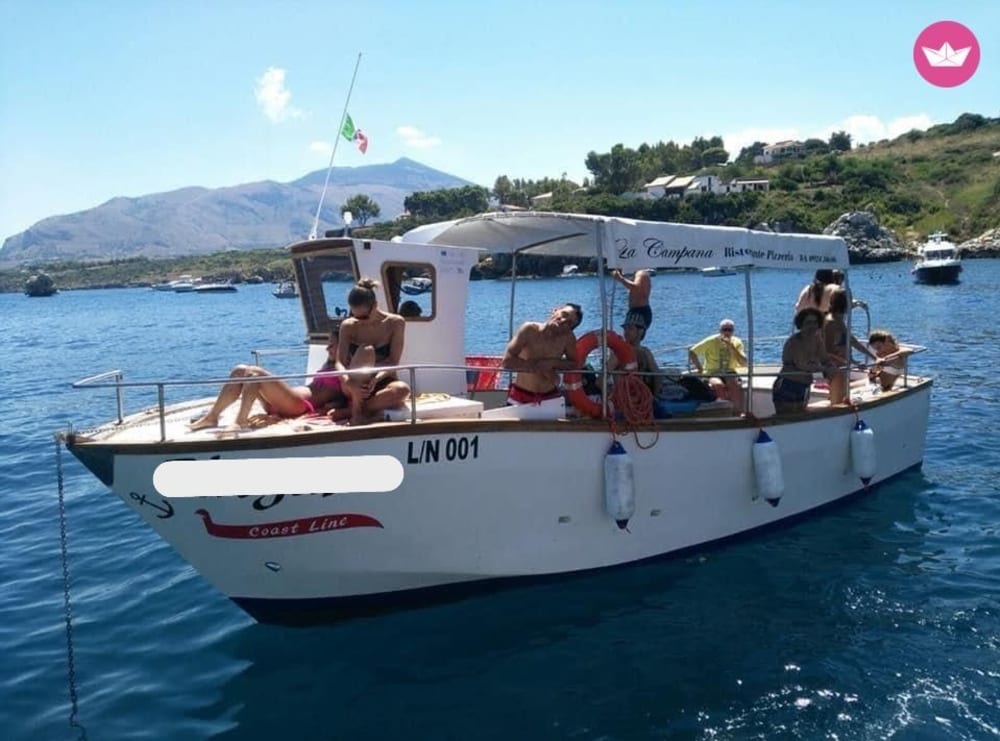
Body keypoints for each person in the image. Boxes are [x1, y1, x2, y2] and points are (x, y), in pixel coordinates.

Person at [188, 323, 348, 430]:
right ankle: (212, 416)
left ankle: (240, 420)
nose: (327, 348)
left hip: (298, 405)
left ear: (344, 346)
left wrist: (337, 407)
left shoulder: (346, 370)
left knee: (256, 374)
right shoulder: (329, 365)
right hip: (283, 402)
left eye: (332, 344)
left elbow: (345, 396)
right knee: (240, 370)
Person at [335, 278, 411, 425]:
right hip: (353, 381)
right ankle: (358, 413)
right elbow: (340, 362)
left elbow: (393, 362)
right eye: (355, 315)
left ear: (375, 306)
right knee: (366, 350)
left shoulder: (395, 323)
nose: (359, 320)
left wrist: (376, 379)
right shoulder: (348, 326)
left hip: (382, 379)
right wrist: (349, 382)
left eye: (363, 316)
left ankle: (357, 410)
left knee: (403, 390)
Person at [501, 303, 582, 404]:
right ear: (555, 310)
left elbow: (574, 364)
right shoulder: (528, 330)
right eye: (564, 314)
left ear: (570, 329)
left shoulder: (568, 338)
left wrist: (552, 363)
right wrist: (541, 368)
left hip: (550, 396)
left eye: (570, 323)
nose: (563, 321)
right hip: (520, 395)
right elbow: (507, 361)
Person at [772, 308, 837, 414]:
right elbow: (802, 365)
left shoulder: (817, 339)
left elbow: (824, 358)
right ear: (801, 324)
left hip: (804, 385)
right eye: (808, 323)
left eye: (815, 322)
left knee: (801, 414)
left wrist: (831, 366)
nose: (813, 326)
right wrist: (825, 369)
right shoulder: (795, 342)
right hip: (788, 384)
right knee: (787, 417)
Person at [823, 288, 877, 405]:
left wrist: (874, 358)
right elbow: (827, 351)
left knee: (842, 397)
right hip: (835, 368)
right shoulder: (831, 323)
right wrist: (854, 363)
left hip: (843, 365)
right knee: (837, 402)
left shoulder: (839, 320)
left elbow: (852, 341)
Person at [688, 318, 747, 413]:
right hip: (712, 372)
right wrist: (699, 368)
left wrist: (732, 347)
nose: (727, 332)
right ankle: (724, 410)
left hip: (729, 372)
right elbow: (692, 351)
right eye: (724, 330)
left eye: (729, 330)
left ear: (733, 331)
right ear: (720, 330)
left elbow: (744, 362)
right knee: (718, 384)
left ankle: (739, 411)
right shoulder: (711, 340)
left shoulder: (737, 342)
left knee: (734, 384)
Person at [611, 310, 663, 398]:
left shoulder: (646, 352)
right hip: (624, 399)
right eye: (625, 329)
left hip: (643, 398)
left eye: (630, 328)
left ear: (640, 331)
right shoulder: (619, 352)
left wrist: (655, 396)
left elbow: (657, 375)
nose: (626, 332)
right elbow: (603, 376)